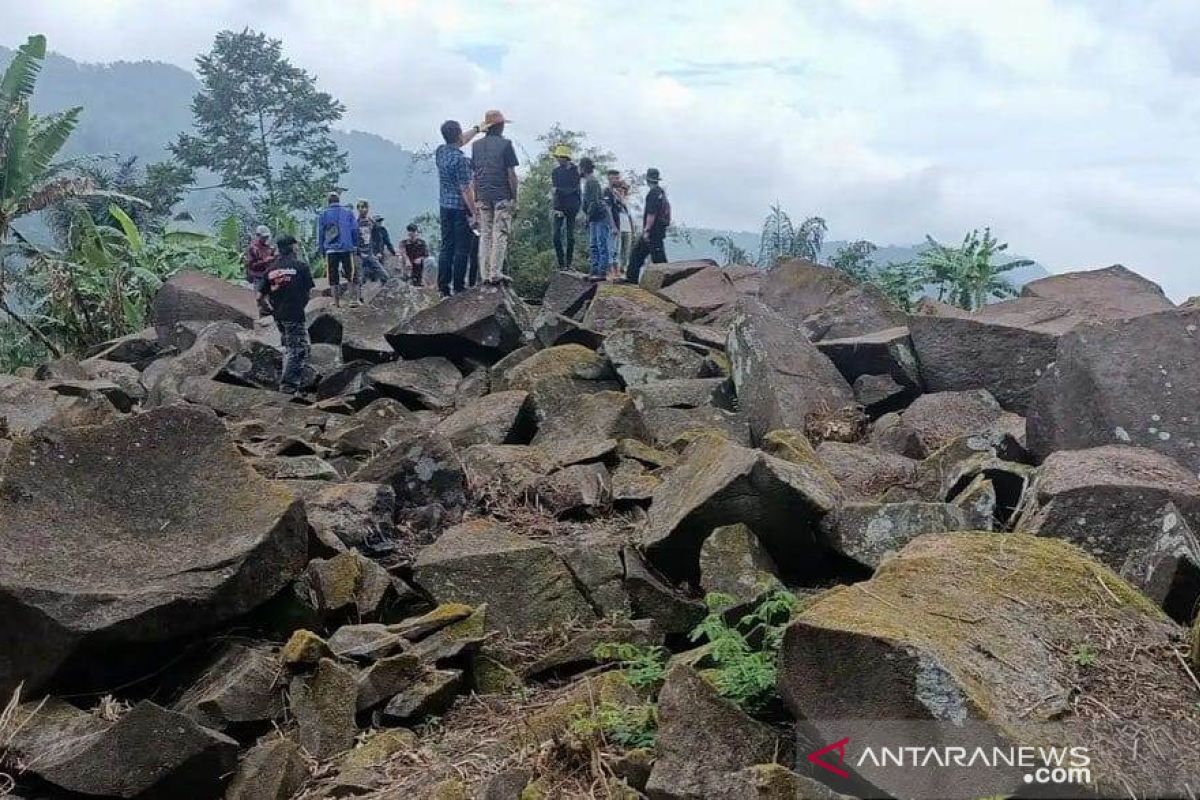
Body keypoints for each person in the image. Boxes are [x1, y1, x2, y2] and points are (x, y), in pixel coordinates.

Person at [257, 234, 314, 394]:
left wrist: (270, 309)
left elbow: (259, 297)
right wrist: (300, 305)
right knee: (297, 350)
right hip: (295, 314)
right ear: (293, 247)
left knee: (291, 347)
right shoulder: (301, 267)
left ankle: (302, 382)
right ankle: (288, 387)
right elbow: (308, 292)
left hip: (279, 316)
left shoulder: (271, 270)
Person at [471, 109, 519, 285]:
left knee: (485, 234)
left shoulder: (475, 146)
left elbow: (475, 174)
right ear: (499, 127)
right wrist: (515, 197)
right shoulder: (506, 144)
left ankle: (484, 273)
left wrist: (476, 197)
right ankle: (495, 272)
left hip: (483, 194)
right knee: (500, 232)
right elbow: (511, 174)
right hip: (502, 194)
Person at [435, 118, 483, 296]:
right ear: (458, 134)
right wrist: (474, 212)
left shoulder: (441, 152)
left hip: (444, 205)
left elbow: (461, 141)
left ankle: (443, 288)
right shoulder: (461, 160)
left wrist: (477, 129)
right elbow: (466, 189)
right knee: (462, 249)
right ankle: (459, 287)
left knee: (446, 246)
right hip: (460, 208)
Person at [626, 167, 670, 284]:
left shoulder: (653, 193)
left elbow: (652, 213)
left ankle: (632, 281)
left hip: (653, 231)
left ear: (647, 179)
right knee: (642, 255)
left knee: (654, 258)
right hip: (660, 230)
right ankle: (631, 280)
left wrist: (647, 230)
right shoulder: (661, 192)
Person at [317, 192, 360, 306]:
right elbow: (355, 230)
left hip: (331, 249)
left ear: (328, 201)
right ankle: (353, 300)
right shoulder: (348, 212)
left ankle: (335, 302)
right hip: (347, 248)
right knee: (350, 273)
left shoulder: (323, 214)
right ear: (339, 200)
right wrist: (355, 245)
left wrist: (321, 249)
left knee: (333, 275)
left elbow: (321, 233)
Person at [579, 158, 612, 282]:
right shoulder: (589, 181)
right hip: (594, 217)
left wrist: (587, 216)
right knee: (593, 244)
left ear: (583, 168)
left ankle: (602, 272)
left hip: (600, 217)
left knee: (601, 244)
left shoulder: (591, 182)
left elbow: (593, 202)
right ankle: (594, 270)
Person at [550, 144, 580, 270]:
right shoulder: (556, 172)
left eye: (560, 157)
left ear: (566, 158)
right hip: (559, 206)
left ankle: (569, 263)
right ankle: (561, 263)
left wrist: (558, 190)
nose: (558, 159)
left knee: (570, 237)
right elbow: (555, 191)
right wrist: (557, 207)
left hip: (572, 206)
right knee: (556, 236)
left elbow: (574, 189)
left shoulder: (575, 171)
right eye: (557, 157)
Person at [602, 170, 629, 281]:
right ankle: (610, 271)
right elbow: (608, 209)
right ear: (609, 178)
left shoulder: (616, 193)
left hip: (619, 223)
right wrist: (613, 225)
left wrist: (621, 195)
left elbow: (623, 205)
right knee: (611, 248)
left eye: (618, 178)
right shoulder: (607, 191)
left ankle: (618, 271)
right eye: (615, 178)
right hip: (611, 223)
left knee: (616, 249)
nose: (617, 180)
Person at [355, 199, 388, 286]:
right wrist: (358, 252)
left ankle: (381, 293)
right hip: (359, 254)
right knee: (360, 279)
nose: (363, 209)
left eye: (365, 207)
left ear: (368, 209)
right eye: (360, 207)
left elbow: (378, 238)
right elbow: (353, 240)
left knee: (384, 275)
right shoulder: (355, 223)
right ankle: (359, 298)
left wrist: (379, 252)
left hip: (370, 253)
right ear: (358, 209)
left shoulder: (371, 222)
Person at [244, 225, 276, 314]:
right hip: (257, 275)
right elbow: (251, 265)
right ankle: (263, 313)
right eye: (264, 237)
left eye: (267, 237)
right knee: (260, 297)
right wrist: (265, 261)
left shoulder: (269, 247)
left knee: (271, 296)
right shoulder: (253, 248)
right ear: (258, 236)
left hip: (268, 275)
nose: (266, 239)